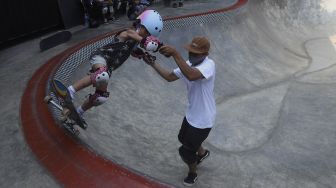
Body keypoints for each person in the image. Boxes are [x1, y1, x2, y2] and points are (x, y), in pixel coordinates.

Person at [145, 36, 216, 186]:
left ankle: (192, 173)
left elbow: (191, 75)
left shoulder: (209, 65)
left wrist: (176, 54)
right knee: (183, 139)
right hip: (191, 114)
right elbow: (169, 77)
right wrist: (152, 63)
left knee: (186, 151)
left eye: (195, 54)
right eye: (190, 52)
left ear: (205, 54)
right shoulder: (188, 64)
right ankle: (202, 153)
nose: (191, 56)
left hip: (203, 119)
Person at [67, 9, 163, 120]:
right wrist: (148, 42)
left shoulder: (135, 42)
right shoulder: (128, 32)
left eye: (149, 35)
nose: (147, 37)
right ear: (142, 25)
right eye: (147, 33)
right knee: (101, 74)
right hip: (100, 56)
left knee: (101, 96)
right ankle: (70, 90)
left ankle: (79, 112)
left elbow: (133, 50)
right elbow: (137, 38)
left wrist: (143, 55)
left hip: (108, 68)